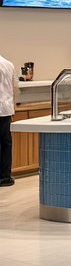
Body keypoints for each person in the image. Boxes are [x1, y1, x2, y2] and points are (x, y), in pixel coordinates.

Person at [0, 52, 16, 187]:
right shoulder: (8, 64)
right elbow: (15, 85)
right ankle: (5, 176)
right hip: (5, 110)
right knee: (5, 144)